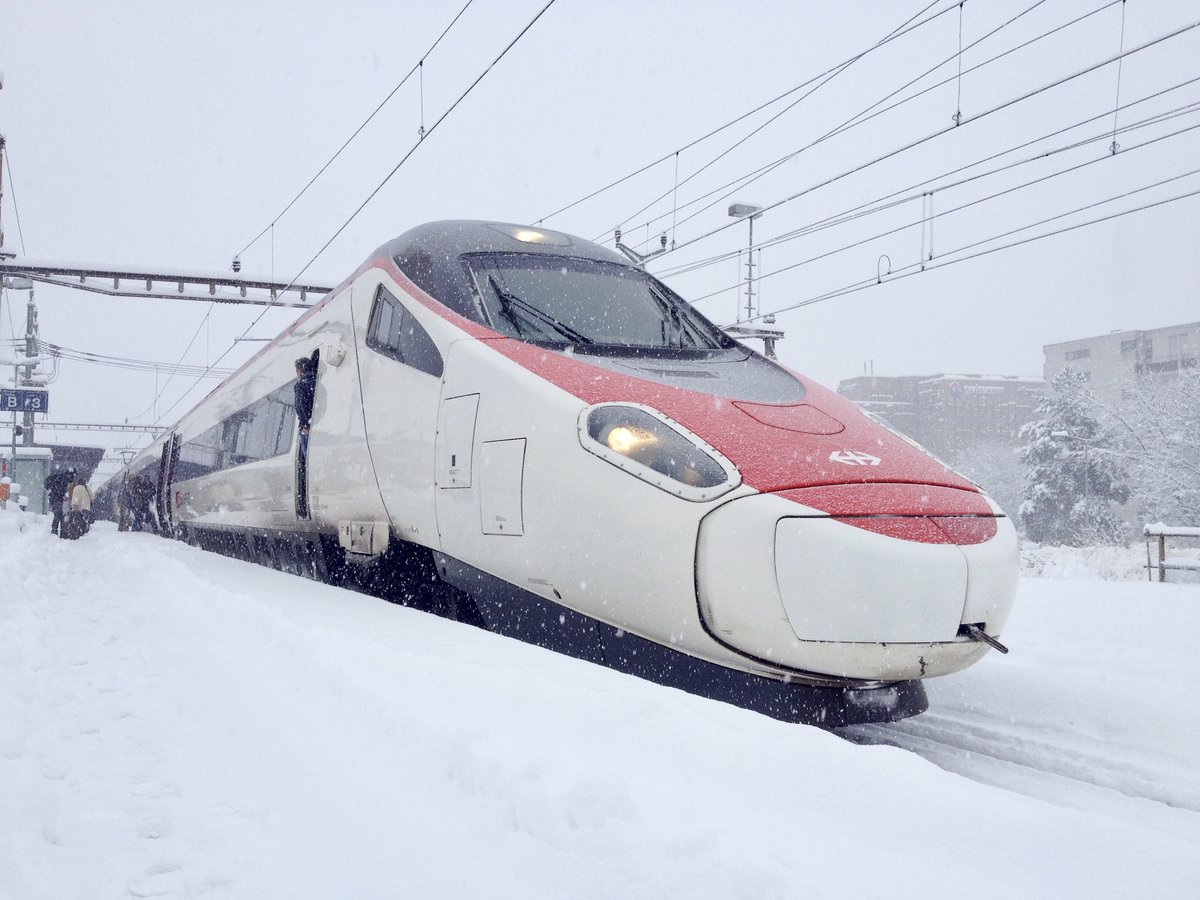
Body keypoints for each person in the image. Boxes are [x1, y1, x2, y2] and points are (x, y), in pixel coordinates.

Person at [62, 474, 92, 540]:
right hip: (87, 508)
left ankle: (75, 537)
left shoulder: (77, 488)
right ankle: (82, 535)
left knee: (76, 523)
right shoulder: (87, 488)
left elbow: (75, 499)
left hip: (79, 509)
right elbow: (92, 498)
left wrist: (73, 507)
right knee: (83, 523)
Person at [44, 466, 72, 535]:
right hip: (58, 499)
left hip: (54, 498)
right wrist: (64, 495)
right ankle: (57, 530)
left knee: (58, 514)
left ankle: (56, 530)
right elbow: (62, 490)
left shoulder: (56, 478)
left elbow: (48, 486)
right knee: (59, 514)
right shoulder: (64, 479)